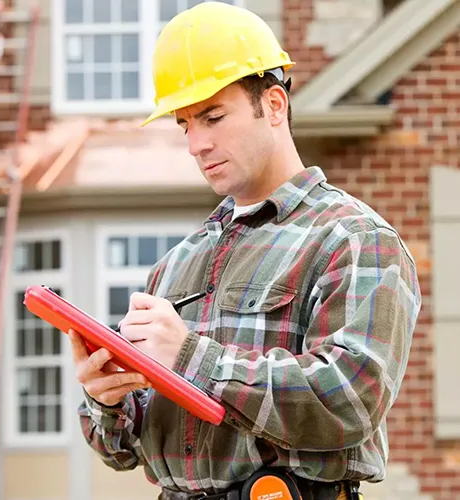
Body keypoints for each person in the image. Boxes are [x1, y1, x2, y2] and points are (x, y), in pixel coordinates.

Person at [69, 2, 422, 500]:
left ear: (274, 105)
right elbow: (124, 450)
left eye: (213, 117)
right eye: (185, 124)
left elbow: (351, 400)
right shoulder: (175, 266)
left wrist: (192, 356)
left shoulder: (353, 239)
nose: (196, 144)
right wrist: (106, 400)